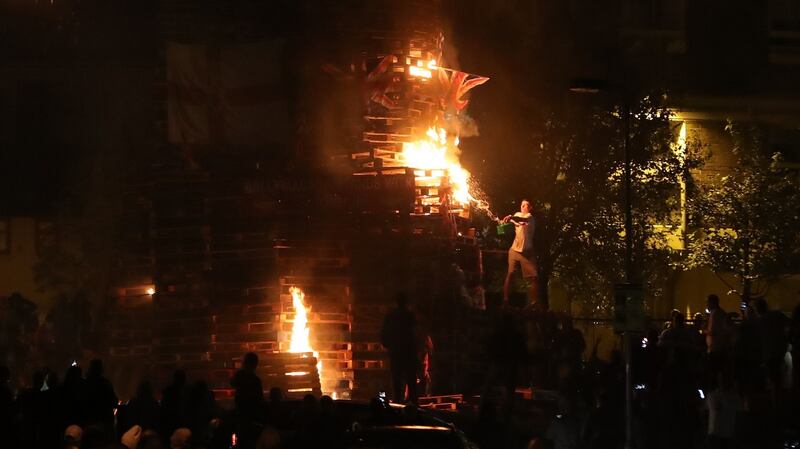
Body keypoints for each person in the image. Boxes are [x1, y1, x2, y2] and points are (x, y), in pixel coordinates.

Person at [380, 292, 420, 403]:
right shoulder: (410, 316)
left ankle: (398, 402)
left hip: (396, 353)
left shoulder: (391, 316)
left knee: (397, 380)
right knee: (410, 380)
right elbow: (416, 333)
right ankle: (413, 404)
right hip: (408, 352)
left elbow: (384, 335)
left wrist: (388, 345)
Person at [502, 199, 538, 308]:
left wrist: (511, 217)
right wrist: (505, 220)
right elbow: (512, 221)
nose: (522, 207)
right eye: (522, 205)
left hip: (527, 252)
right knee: (510, 274)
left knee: (534, 277)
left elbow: (521, 219)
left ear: (530, 208)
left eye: (525, 205)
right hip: (514, 250)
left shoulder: (530, 218)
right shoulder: (517, 214)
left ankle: (533, 303)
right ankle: (505, 300)